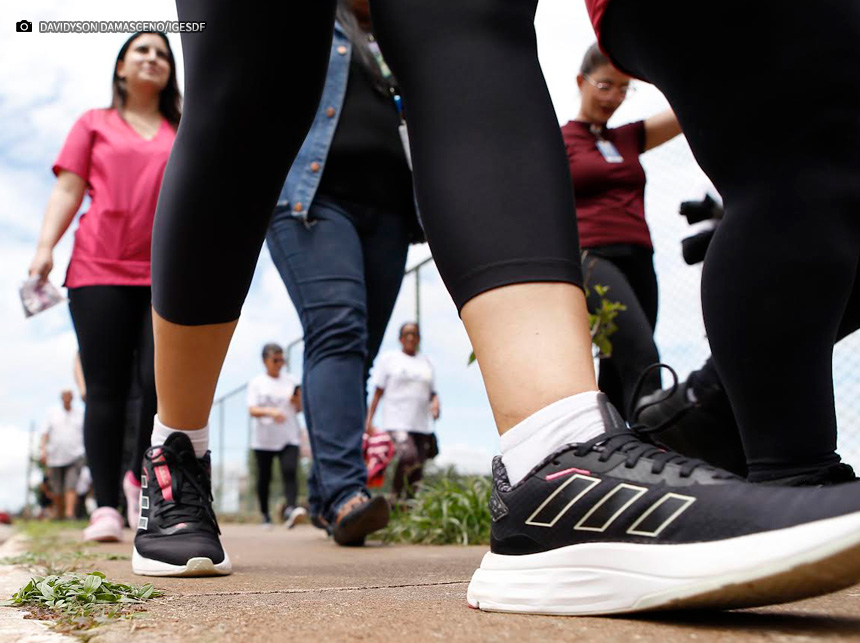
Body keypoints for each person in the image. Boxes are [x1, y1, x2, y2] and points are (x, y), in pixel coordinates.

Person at [134, 0, 860, 620]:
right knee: (254, 76)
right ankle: (177, 448)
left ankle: (555, 454)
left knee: (470, 17)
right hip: (314, 183)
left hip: (393, 196)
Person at [264, 0, 423, 543]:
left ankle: (324, 494)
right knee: (337, 328)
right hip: (312, 198)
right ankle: (345, 494)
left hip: (390, 213)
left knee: (357, 355)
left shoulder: (397, 40)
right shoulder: (313, 20)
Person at [28, 31, 180, 541]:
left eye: (162, 53)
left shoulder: (183, 130)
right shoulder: (93, 124)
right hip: (98, 269)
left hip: (166, 272)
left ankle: (140, 482)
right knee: (107, 389)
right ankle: (107, 508)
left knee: (158, 386)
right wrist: (46, 246)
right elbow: (68, 187)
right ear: (120, 68)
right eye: (142, 51)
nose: (153, 58)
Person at [563, 44, 682, 418]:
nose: (613, 97)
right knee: (642, 356)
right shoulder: (559, 141)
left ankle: (609, 453)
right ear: (581, 81)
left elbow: (685, 112)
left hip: (640, 259)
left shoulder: (627, 138)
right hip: (592, 258)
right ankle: (662, 449)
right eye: (604, 85)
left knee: (616, 369)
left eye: (623, 88)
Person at [366, 323, 440, 500]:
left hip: (421, 424)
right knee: (408, 457)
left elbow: (433, 392)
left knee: (418, 468)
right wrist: (369, 421)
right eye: (407, 334)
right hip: (396, 421)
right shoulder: (390, 359)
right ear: (400, 338)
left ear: (419, 338)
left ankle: (409, 509)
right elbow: (378, 393)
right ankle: (395, 501)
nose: (410, 337)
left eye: (414, 334)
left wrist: (436, 404)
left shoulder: (427, 362)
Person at [247, 343, 307, 528]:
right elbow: (252, 410)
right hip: (264, 439)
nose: (280, 363)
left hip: (288, 436)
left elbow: (300, 408)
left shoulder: (291, 380)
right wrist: (270, 412)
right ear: (265, 361)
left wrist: (297, 401)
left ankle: (290, 509)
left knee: (290, 472)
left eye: (282, 359)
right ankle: (265, 515)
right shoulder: (257, 383)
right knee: (264, 478)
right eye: (276, 360)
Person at [40, 390, 85, 521]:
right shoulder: (52, 413)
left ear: (72, 397)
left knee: (71, 485)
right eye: (64, 396)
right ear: (61, 398)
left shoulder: (80, 413)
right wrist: (43, 451)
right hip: (55, 457)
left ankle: (69, 514)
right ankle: (59, 513)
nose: (67, 398)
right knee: (57, 489)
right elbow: (44, 434)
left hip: (76, 454)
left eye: (69, 395)